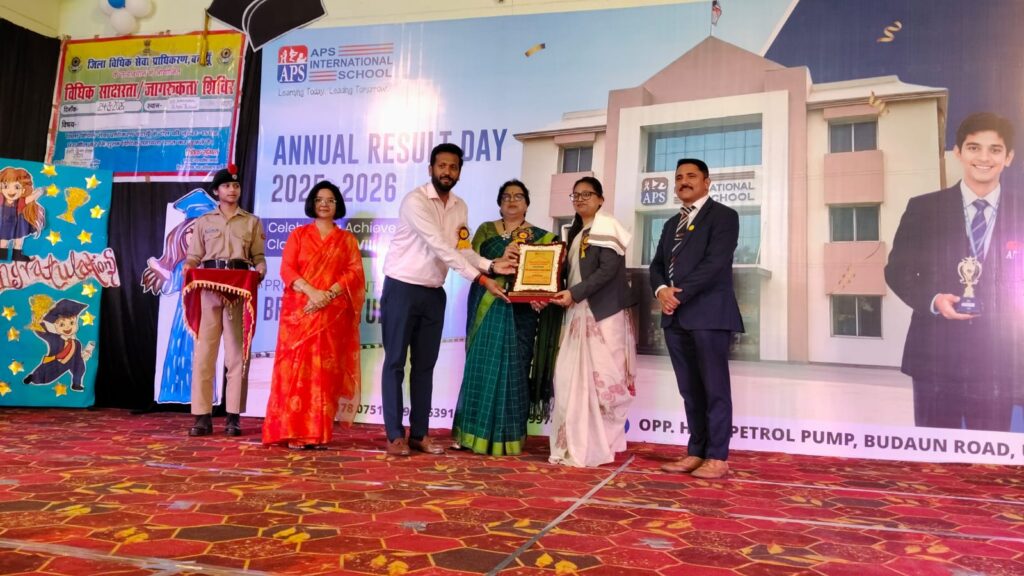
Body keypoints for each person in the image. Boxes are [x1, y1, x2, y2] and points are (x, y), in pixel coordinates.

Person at [885, 112, 1023, 431]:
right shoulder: (923, 208)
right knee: (934, 453)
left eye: (995, 149)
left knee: (989, 453)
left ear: (1009, 157)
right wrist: (934, 300)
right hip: (935, 358)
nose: (984, 158)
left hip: (1000, 361)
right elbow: (897, 270)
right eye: (974, 148)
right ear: (958, 153)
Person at [380, 143, 516, 456]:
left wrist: (491, 265)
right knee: (395, 362)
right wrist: (481, 279)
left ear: (459, 172)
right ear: (431, 169)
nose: (447, 172)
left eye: (453, 167)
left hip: (433, 293)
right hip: (402, 287)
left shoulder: (459, 206)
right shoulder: (415, 201)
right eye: (442, 166)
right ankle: (394, 435)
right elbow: (440, 247)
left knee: (425, 366)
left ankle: (420, 434)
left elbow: (461, 249)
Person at [451, 179, 562, 455]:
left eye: (518, 196)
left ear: (527, 203)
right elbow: (469, 261)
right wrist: (499, 258)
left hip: (520, 314)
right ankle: (470, 434)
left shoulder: (542, 238)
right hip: (486, 306)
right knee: (479, 367)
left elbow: (545, 276)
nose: (512, 201)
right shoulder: (485, 231)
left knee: (515, 368)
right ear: (499, 203)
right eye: (506, 197)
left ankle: (508, 436)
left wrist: (541, 294)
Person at [650, 158, 743, 480]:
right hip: (675, 319)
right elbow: (657, 265)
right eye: (679, 177)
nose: (684, 182)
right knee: (690, 390)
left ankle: (717, 456)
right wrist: (661, 290)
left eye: (691, 176)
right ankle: (696, 452)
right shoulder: (670, 224)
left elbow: (715, 263)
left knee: (715, 389)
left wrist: (678, 294)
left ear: (707, 182)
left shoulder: (724, 216)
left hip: (709, 315)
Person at [263, 180, 365, 449]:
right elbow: (286, 270)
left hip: (331, 316)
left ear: (337, 205)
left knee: (324, 374)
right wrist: (312, 293)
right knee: (295, 373)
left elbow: (354, 273)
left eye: (330, 200)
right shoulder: (298, 235)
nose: (324, 204)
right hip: (299, 314)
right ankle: (293, 432)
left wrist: (327, 295)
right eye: (320, 199)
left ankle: (318, 434)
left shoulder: (346, 240)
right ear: (312, 203)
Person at [546, 176, 636, 468]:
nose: (581, 199)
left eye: (587, 194)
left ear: (600, 199)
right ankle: (574, 443)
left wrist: (574, 293)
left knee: (602, 383)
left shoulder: (607, 226)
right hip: (576, 312)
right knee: (568, 379)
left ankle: (597, 445)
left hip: (603, 314)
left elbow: (607, 271)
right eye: (576, 195)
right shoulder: (576, 232)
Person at [182, 165, 267, 437]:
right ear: (217, 191)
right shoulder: (204, 221)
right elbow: (194, 256)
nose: (232, 190)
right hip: (209, 290)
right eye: (227, 186)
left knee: (236, 355)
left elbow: (258, 256)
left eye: (236, 186)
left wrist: (261, 268)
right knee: (204, 354)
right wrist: (188, 266)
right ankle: (202, 416)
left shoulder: (251, 221)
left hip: (238, 291)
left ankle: (233, 416)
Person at [23, 298, 95, 392]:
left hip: (71, 362)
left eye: (72, 323)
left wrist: (85, 354)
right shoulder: (55, 339)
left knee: (80, 367)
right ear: (56, 326)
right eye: (62, 324)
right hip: (56, 362)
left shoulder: (77, 343)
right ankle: (32, 378)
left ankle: (76, 384)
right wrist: (39, 323)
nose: (68, 327)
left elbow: (78, 357)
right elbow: (43, 333)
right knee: (45, 376)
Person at [0, 166, 45, 262]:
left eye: (17, 187)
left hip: (19, 225)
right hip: (5, 224)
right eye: (6, 186)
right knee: (3, 242)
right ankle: (2, 256)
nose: (11, 191)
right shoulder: (1, 200)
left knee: (19, 241)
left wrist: (40, 191)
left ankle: (17, 255)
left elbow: (31, 198)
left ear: (23, 190)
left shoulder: (20, 202)